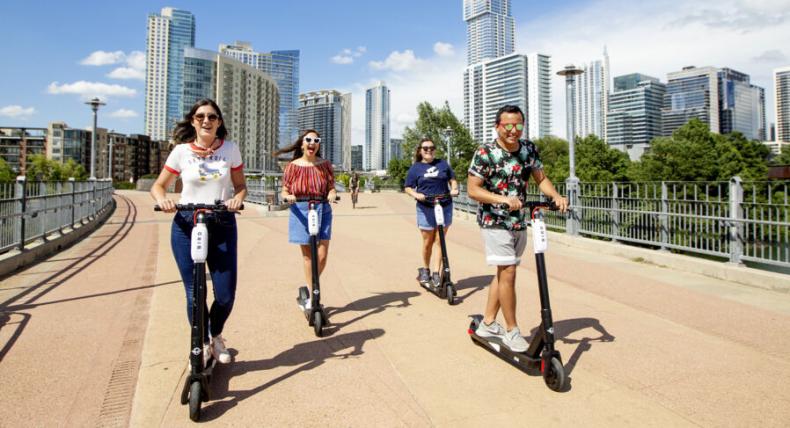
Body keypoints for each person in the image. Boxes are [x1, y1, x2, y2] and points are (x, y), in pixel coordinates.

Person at [150, 98, 246, 364]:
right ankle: (202, 342)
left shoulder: (230, 149)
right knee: (195, 291)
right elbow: (159, 186)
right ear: (193, 121)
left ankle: (216, 335)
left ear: (219, 122)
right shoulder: (181, 152)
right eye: (201, 116)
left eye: (212, 116)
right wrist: (163, 200)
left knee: (225, 294)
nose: (207, 120)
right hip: (186, 223)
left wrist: (237, 199)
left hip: (222, 222)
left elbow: (240, 186)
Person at [467, 105, 568, 352]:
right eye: (508, 126)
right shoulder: (485, 152)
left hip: (519, 219)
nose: (514, 131)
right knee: (509, 270)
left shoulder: (528, 149)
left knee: (504, 272)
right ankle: (512, 331)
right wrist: (501, 199)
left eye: (518, 125)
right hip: (494, 219)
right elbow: (473, 190)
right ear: (497, 126)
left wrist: (556, 196)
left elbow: (540, 178)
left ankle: (488, 324)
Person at [276, 129, 337, 309]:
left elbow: (331, 187)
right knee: (308, 257)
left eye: (316, 140)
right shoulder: (292, 166)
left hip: (322, 208)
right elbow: (285, 190)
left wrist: (332, 193)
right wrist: (288, 197)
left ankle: (311, 290)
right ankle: (313, 295)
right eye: (308, 139)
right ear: (302, 143)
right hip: (301, 210)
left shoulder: (325, 165)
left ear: (318, 144)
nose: (312, 143)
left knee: (322, 255)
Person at [404, 138, 459, 285]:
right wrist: (416, 195)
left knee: (440, 240)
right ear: (420, 151)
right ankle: (426, 269)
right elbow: (408, 187)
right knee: (428, 241)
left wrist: (454, 188)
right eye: (425, 148)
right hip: (425, 207)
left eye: (431, 148)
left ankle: (436, 272)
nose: (429, 150)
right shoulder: (415, 168)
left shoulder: (443, 164)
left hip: (444, 205)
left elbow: (452, 179)